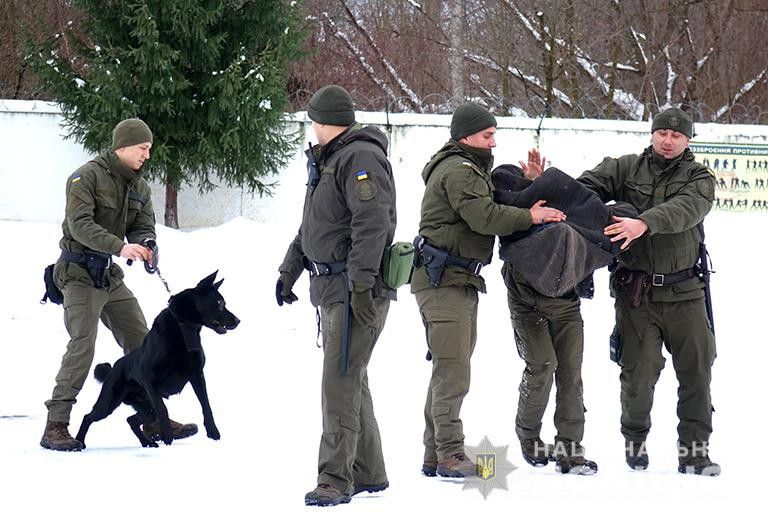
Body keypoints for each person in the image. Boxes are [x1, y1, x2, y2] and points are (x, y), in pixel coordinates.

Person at [411, 103, 565, 478]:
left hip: (454, 279)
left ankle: (435, 454)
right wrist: (531, 216)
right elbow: (485, 217)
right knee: (453, 372)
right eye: (487, 135)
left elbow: (491, 202)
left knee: (448, 368)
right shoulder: (460, 170)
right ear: (465, 137)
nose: (493, 141)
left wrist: (529, 183)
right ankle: (450, 454)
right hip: (444, 281)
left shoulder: (466, 167)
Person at [576, 107, 720, 476]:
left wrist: (642, 222)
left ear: (687, 140)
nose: (668, 141)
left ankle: (695, 454)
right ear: (652, 134)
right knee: (637, 376)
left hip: (686, 292)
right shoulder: (625, 168)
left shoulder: (699, 177)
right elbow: (583, 190)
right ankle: (634, 441)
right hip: (636, 293)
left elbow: (685, 209)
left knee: (697, 375)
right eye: (662, 133)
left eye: (677, 135)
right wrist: (600, 214)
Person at [41, 118, 198, 451]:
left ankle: (153, 417)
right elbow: (80, 225)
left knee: (144, 342)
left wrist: (147, 244)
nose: (147, 155)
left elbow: (143, 225)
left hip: (109, 276)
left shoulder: (139, 186)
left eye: (149, 149)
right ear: (122, 146)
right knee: (83, 344)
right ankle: (56, 425)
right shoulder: (86, 177)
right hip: (78, 272)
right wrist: (120, 247)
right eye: (143, 148)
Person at [276, 85, 397, 507]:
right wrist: (289, 269)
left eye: (312, 119)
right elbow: (314, 225)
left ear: (322, 121)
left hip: (352, 289)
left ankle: (334, 479)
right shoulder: (330, 159)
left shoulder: (359, 157)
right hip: (332, 287)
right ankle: (369, 472)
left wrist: (361, 285)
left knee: (339, 383)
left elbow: (372, 223)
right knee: (350, 378)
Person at [496, 150, 598, 475]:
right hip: (527, 302)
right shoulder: (519, 213)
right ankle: (528, 436)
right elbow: (501, 207)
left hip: (566, 303)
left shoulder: (572, 215)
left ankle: (570, 450)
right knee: (542, 365)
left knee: (571, 374)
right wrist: (529, 188)